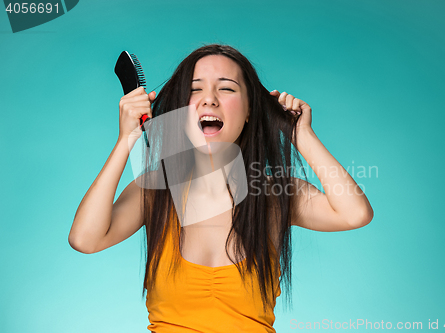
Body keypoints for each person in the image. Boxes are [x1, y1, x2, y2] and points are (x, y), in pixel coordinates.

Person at [68, 44, 374, 333]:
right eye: (194, 89)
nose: (209, 99)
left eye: (226, 88)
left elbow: (354, 214)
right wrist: (126, 139)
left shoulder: (277, 195)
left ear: (251, 110)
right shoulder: (154, 191)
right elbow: (85, 239)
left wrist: (300, 134)